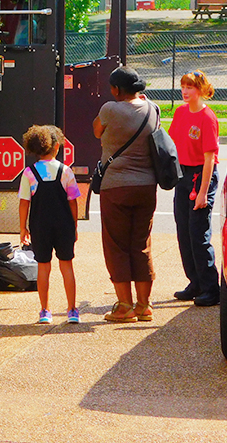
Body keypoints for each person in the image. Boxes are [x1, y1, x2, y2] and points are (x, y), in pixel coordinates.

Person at [92, 66, 158, 323]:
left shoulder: (109, 109)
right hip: (146, 185)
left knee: (116, 245)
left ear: (116, 89)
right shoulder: (153, 109)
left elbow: (96, 130)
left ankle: (124, 306)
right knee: (141, 244)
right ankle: (144, 305)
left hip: (116, 185)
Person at [18, 125, 81, 324]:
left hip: (40, 225)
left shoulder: (29, 173)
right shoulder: (66, 171)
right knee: (67, 265)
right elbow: (73, 201)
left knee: (43, 267)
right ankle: (72, 309)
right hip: (64, 225)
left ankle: (45, 310)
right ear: (56, 147)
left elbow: (24, 202)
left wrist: (23, 228)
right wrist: (74, 226)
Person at [169, 70, 220, 307]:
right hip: (183, 174)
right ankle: (195, 282)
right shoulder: (180, 112)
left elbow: (210, 159)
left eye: (190, 87)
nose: (185, 91)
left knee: (198, 234)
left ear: (200, 90)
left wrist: (202, 192)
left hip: (201, 175)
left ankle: (211, 288)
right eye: (183, 87)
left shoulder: (207, 118)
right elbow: (171, 143)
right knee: (184, 231)